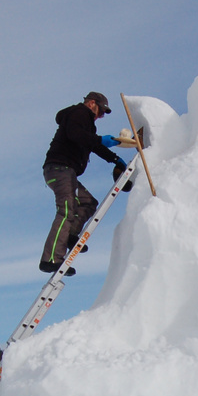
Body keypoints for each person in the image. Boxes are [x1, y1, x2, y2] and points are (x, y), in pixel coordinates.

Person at [38, 91, 129, 275]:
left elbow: (93, 145)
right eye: (101, 111)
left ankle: (71, 236)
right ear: (91, 103)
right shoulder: (79, 113)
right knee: (65, 211)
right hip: (60, 169)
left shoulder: (85, 123)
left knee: (88, 203)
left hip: (66, 172)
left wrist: (115, 158)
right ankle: (50, 259)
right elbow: (75, 135)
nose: (101, 115)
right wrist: (99, 140)